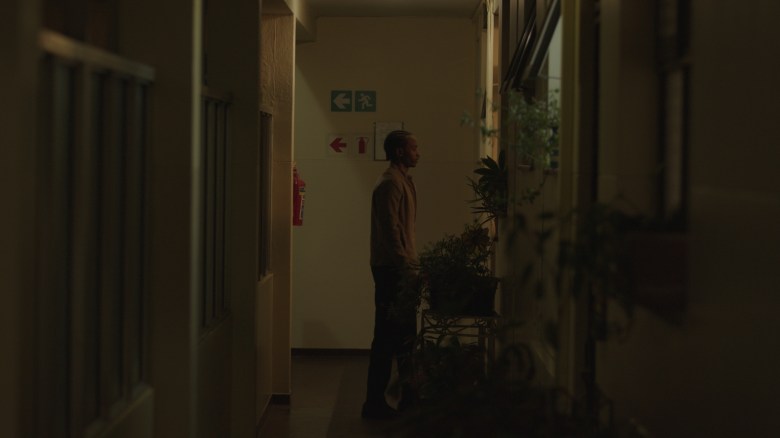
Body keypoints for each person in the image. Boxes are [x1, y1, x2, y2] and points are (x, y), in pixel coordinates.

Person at [362, 130, 420, 419]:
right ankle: (374, 403)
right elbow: (391, 232)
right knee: (387, 337)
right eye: (413, 148)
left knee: (404, 335)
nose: (418, 153)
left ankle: (408, 397)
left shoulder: (401, 181)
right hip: (392, 271)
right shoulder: (390, 183)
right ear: (399, 152)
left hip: (398, 268)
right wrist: (406, 267)